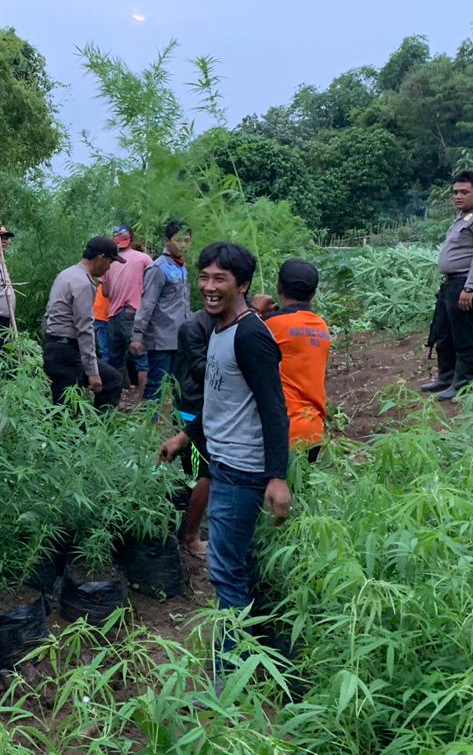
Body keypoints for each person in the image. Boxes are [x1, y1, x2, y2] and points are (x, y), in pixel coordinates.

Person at [195, 242, 290, 681]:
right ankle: (266, 654)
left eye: (221, 279)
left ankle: (228, 681)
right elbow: (223, 400)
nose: (210, 287)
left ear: (243, 285)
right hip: (225, 464)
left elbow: (274, 408)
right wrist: (186, 435)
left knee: (226, 575)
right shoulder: (222, 328)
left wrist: (277, 477)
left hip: (243, 471)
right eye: (205, 277)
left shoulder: (251, 336)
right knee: (240, 568)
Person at [421, 172, 473, 400]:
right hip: (453, 282)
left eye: (464, 192)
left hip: (469, 281)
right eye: (455, 192)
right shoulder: (463, 216)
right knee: (444, 332)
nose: (458, 196)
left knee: (464, 332)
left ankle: (463, 383)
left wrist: (470, 287)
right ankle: (446, 376)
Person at [252, 260, 332, 461]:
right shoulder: (322, 327)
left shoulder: (269, 324)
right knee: (301, 491)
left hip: (280, 432)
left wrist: (253, 310)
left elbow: (238, 336)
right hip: (313, 430)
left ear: (279, 287)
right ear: (313, 294)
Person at [157, 308, 216, 558]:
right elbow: (199, 369)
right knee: (202, 471)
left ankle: (190, 524)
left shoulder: (228, 323)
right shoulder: (193, 327)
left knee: (197, 471)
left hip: (206, 408)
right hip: (194, 408)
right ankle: (190, 537)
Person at [42, 236, 125, 411]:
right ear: (100, 257)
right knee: (67, 413)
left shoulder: (67, 274)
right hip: (67, 353)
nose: (109, 267)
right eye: (110, 262)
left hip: (54, 347)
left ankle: (94, 431)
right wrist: (92, 372)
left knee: (65, 408)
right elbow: (85, 329)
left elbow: (48, 314)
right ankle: (100, 430)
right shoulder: (83, 284)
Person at [130, 221, 193, 401]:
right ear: (167, 241)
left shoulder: (181, 267)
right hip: (161, 339)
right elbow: (147, 303)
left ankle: (177, 426)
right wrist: (137, 335)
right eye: (179, 240)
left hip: (180, 338)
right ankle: (148, 424)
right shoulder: (158, 268)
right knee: (156, 385)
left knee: (178, 385)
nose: (183, 245)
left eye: (187, 240)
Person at [100, 225, 153, 391]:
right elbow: (152, 284)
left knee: (114, 358)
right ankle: (144, 400)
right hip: (133, 311)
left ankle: (119, 396)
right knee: (141, 357)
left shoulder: (107, 261)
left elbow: (106, 291)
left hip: (113, 313)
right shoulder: (144, 259)